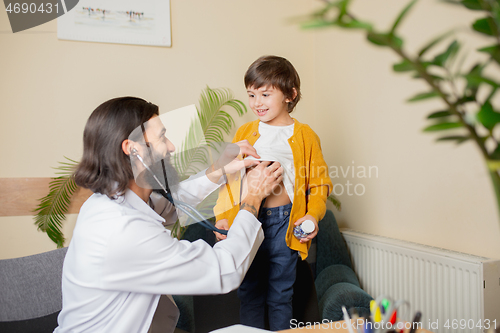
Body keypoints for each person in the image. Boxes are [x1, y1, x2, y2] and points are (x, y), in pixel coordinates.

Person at [54, 97, 283, 333]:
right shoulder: (121, 228)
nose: (171, 146)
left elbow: (171, 205)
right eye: (162, 137)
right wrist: (253, 199)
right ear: (133, 150)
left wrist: (218, 171)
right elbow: (223, 270)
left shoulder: (115, 201)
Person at [213, 56, 333, 331]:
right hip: (247, 218)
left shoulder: (305, 136)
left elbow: (319, 185)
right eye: (252, 94)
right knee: (249, 293)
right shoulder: (245, 132)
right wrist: (223, 217)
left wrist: (312, 216)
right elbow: (229, 180)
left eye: (265, 94)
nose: (257, 102)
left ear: (290, 94)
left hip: (285, 223)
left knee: (281, 295)